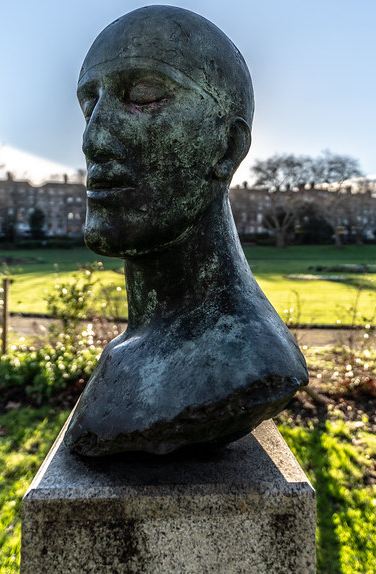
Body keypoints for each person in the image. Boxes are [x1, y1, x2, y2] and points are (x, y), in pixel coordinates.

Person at [63, 5, 308, 456]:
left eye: (143, 95)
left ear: (227, 146)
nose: (93, 138)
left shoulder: (248, 360)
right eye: (89, 104)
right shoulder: (129, 352)